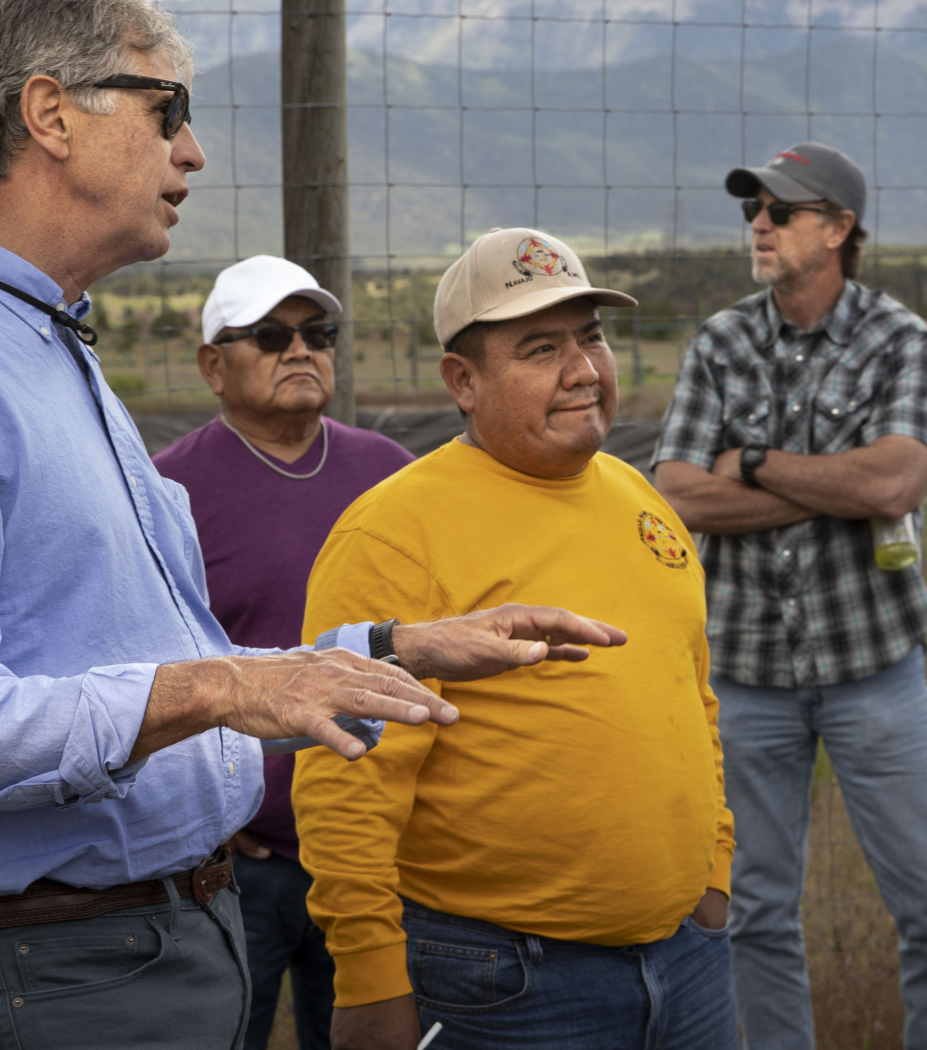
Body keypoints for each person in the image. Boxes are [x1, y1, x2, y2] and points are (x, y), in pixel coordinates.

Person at [0, 0, 624, 1050]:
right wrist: (222, 684)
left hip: (151, 947)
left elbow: (151, 659)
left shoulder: (45, 350)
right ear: (50, 115)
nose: (193, 154)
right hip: (64, 975)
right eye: (166, 110)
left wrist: (388, 649)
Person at [291, 227, 737, 1050]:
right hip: (506, 984)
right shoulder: (394, 532)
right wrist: (370, 978)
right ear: (462, 380)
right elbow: (347, 778)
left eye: (591, 337)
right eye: (540, 348)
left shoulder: (638, 496)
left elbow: (691, 693)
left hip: (689, 961)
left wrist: (713, 873)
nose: (583, 370)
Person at [652, 141, 927, 1050]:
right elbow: (677, 491)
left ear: (838, 229)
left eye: (781, 211)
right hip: (746, 671)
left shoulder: (899, 337)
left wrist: (752, 463)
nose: (758, 224)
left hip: (874, 668)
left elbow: (894, 485)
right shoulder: (722, 340)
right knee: (754, 912)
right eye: (753, 209)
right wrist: (831, 479)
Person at [154, 254, 414, 1050]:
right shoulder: (168, 493)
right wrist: (205, 813)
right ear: (212, 364)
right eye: (269, 335)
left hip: (378, 849)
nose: (300, 350)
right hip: (241, 859)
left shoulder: (390, 475)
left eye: (317, 333)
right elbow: (140, 670)